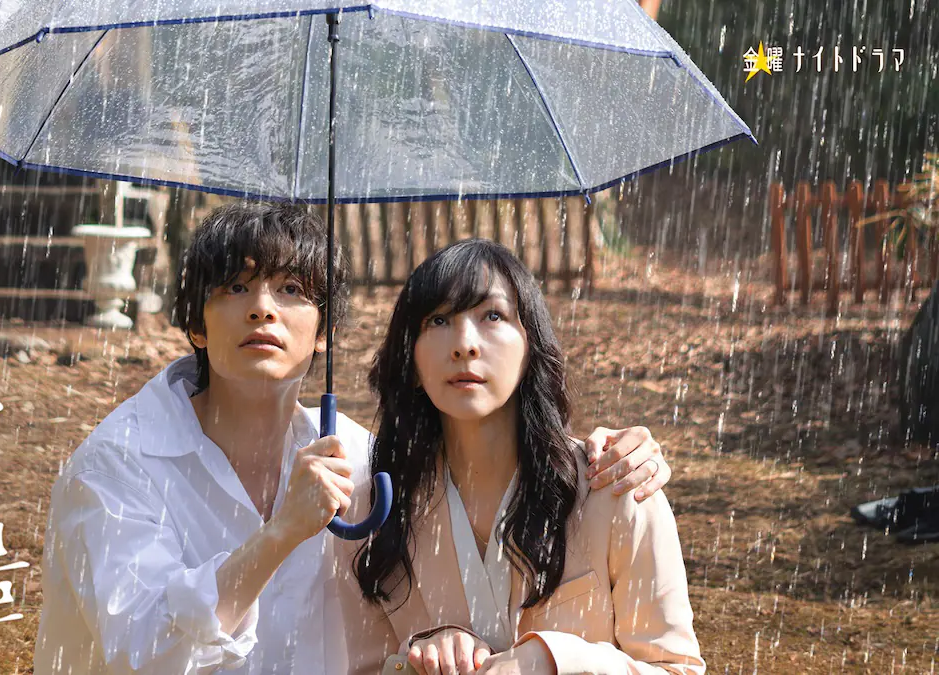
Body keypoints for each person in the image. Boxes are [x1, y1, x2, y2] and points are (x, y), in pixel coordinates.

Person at [34, 203, 672, 674]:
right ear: (195, 325)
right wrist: (281, 534)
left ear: (323, 335)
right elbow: (141, 652)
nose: (262, 308)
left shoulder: (371, 473)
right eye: (234, 287)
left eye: (291, 289)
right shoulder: (117, 467)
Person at [340, 239, 703, 675]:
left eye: (492, 315)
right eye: (438, 320)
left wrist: (555, 660)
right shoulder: (374, 512)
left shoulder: (615, 489)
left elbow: (675, 668)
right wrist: (418, 654)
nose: (464, 345)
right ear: (411, 360)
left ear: (530, 346)